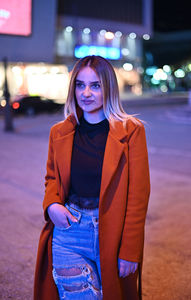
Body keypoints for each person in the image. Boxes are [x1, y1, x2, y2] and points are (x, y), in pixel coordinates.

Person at [34, 55, 150, 300]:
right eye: (80, 84)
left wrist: (130, 249)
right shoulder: (60, 132)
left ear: (108, 88)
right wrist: (52, 204)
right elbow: (52, 178)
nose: (86, 93)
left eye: (95, 85)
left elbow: (138, 197)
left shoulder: (131, 132)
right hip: (69, 232)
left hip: (112, 233)